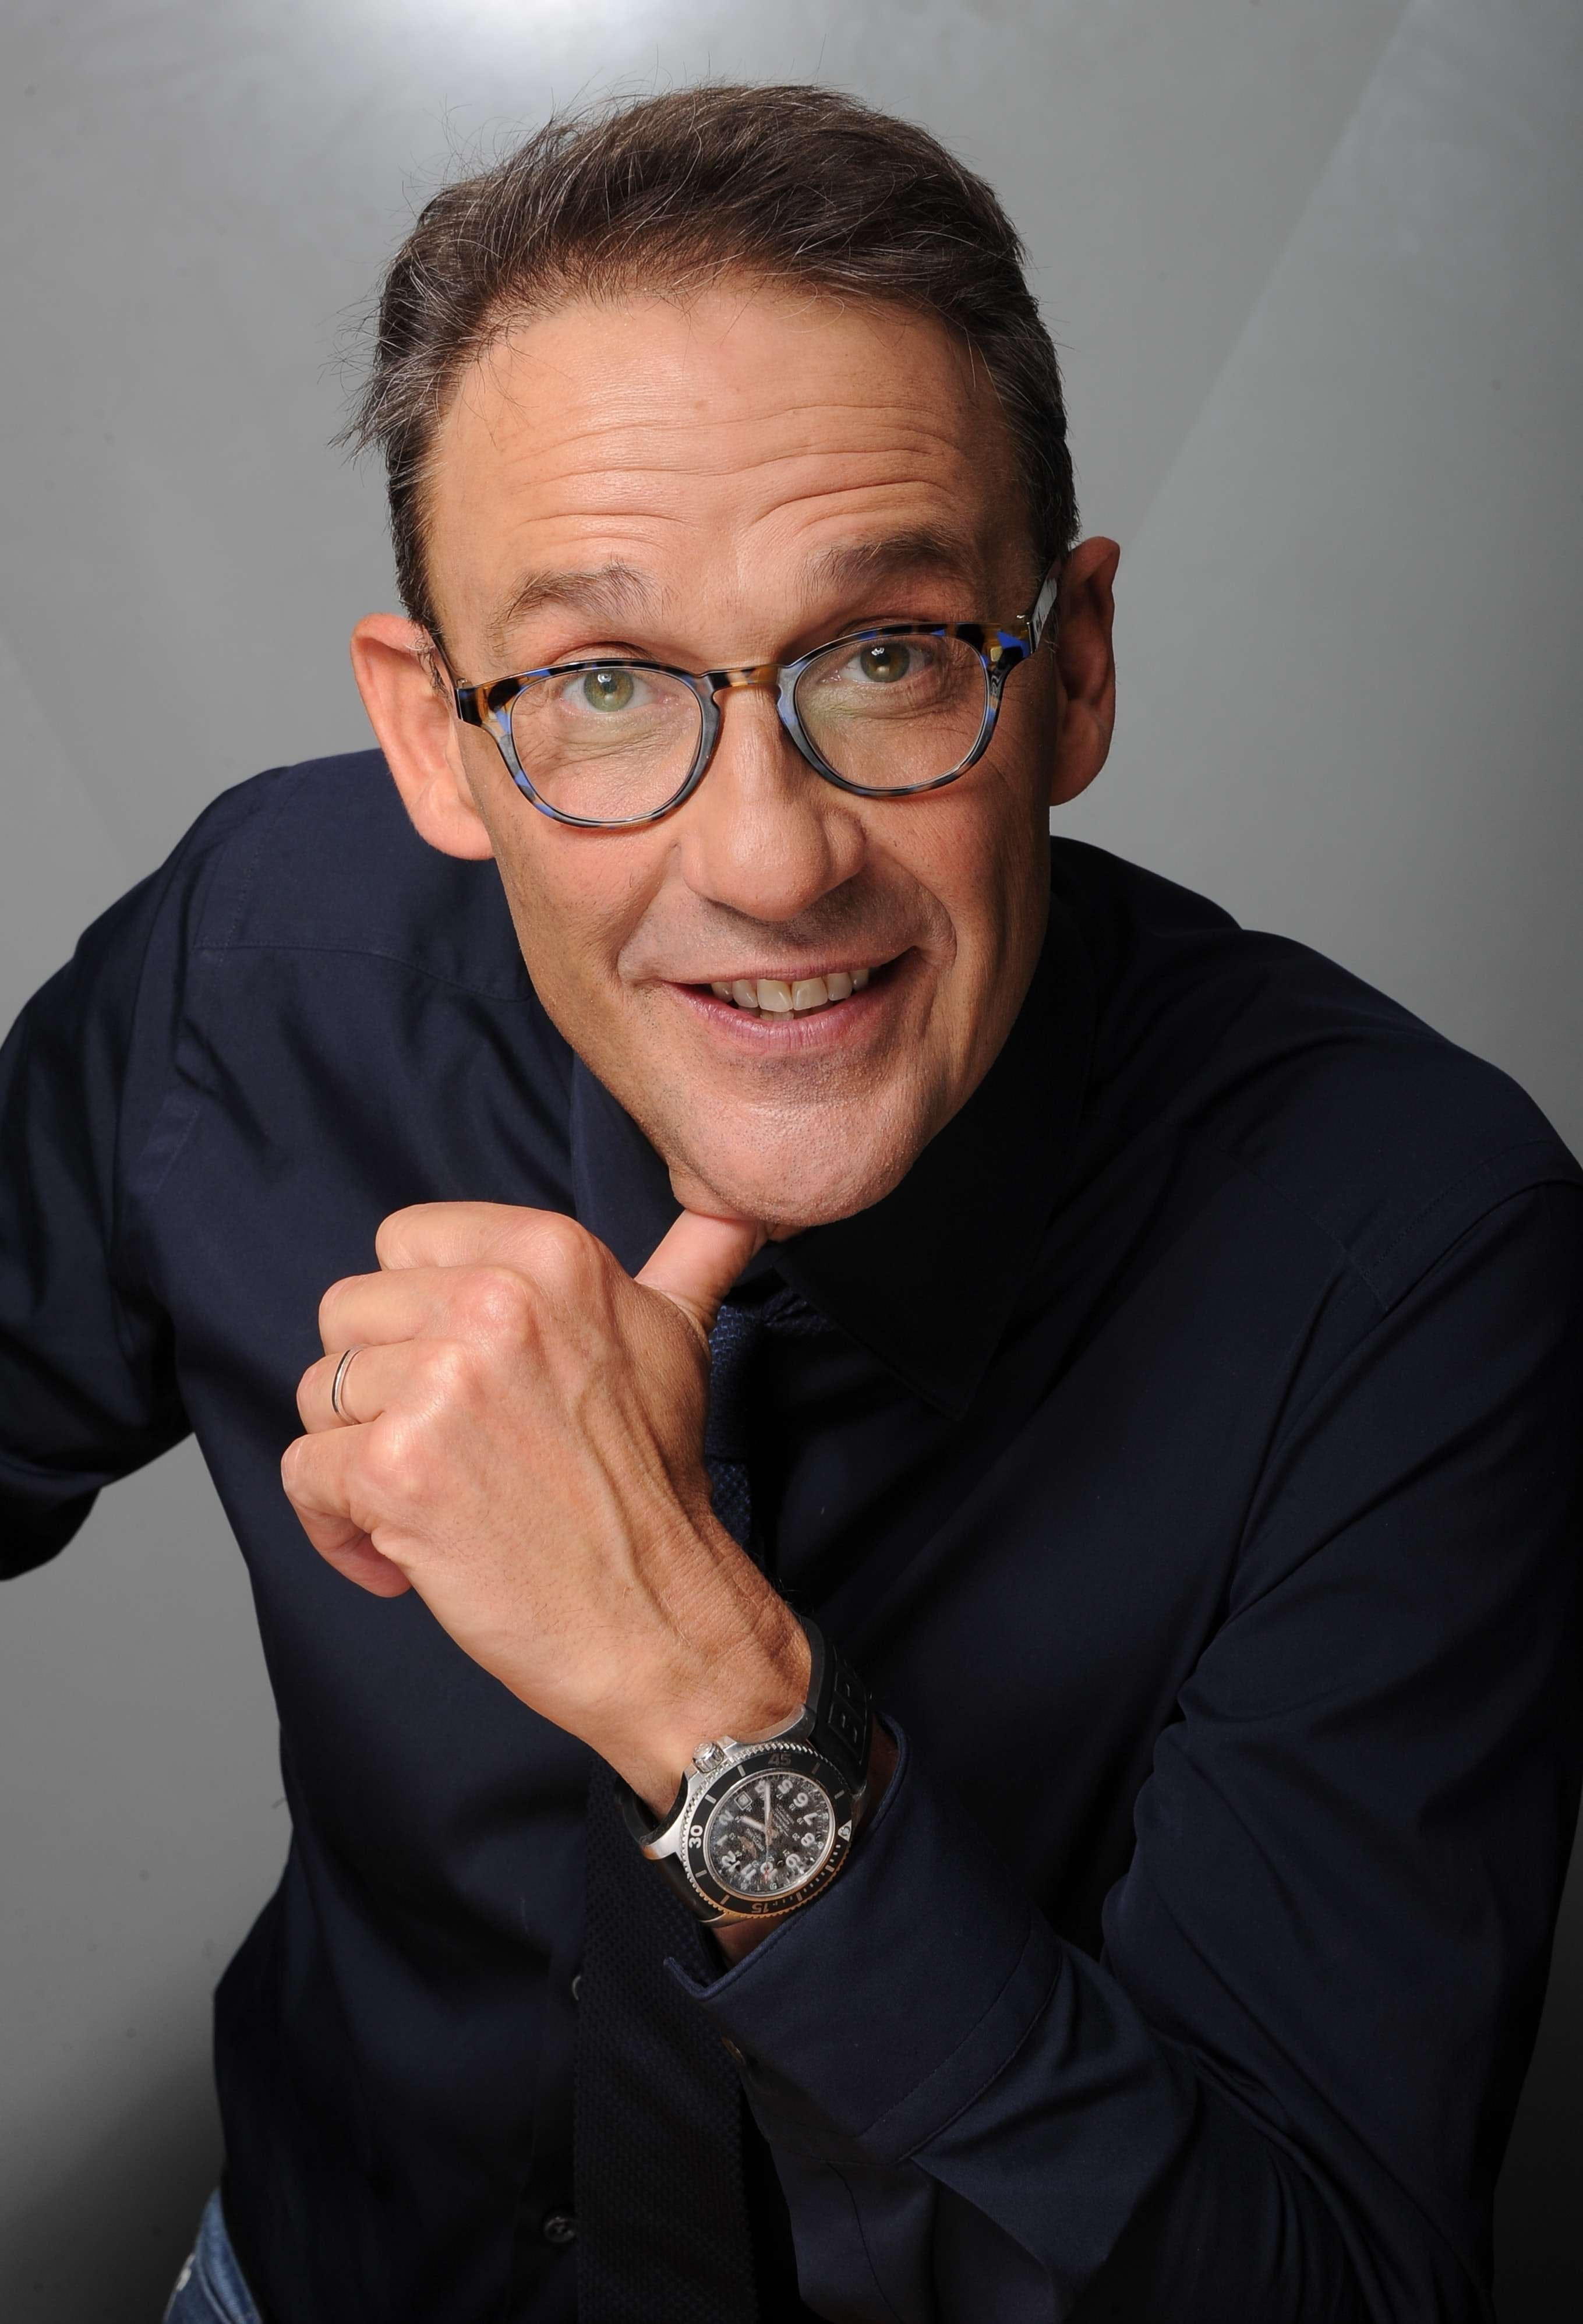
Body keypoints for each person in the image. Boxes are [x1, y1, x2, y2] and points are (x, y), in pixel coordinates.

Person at [2, 82, 1578, 2324]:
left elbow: (1316, 2285)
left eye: (889, 653)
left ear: (1074, 673)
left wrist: (706, 1691)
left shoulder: (1414, 1249)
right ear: (436, 738)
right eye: (603, 683)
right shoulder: (261, 965)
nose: (767, 858)